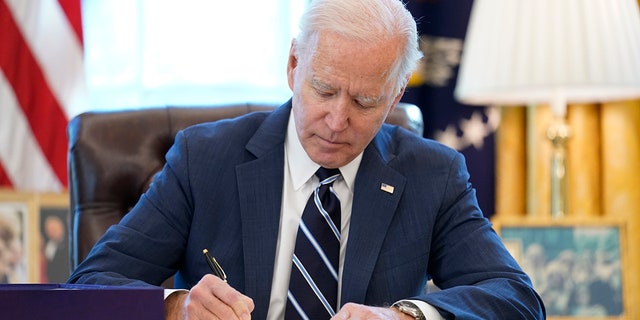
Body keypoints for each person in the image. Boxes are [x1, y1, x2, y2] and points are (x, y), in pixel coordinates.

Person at [68, 0, 545, 319]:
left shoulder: (432, 174)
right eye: (323, 89)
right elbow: (90, 284)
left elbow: (516, 297)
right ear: (294, 65)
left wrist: (406, 316)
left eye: (364, 102)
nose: (337, 120)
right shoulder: (204, 158)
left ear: (396, 93)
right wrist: (175, 307)